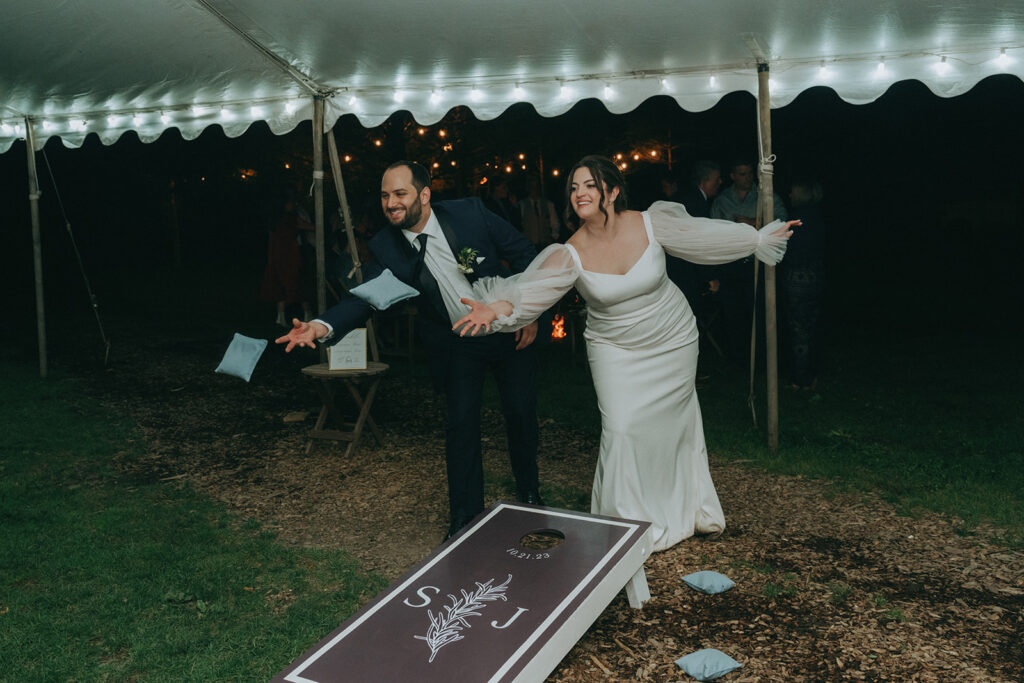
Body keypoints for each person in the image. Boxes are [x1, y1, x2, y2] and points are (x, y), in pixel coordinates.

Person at [454, 155, 799, 551]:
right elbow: (528, 292)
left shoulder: (651, 222)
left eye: (588, 185)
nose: (579, 193)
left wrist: (758, 239)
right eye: (573, 187)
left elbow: (704, 235)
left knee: (674, 424)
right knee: (621, 428)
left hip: (672, 338)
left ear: (612, 191)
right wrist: (496, 309)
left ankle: (687, 508)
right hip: (614, 348)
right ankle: (626, 526)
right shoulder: (570, 252)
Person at [275, 161, 545, 540]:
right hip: (458, 342)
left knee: (519, 411)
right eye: (385, 196)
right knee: (460, 425)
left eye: (399, 194)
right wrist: (321, 326)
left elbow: (525, 254)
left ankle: (529, 493)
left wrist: (527, 312)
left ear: (424, 194)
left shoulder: (470, 213)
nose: (391, 203)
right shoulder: (385, 245)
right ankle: (465, 520)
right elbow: (368, 298)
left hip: (509, 329)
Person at [711, 160, 788, 365]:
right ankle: (738, 360)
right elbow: (712, 231)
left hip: (758, 263)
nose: (748, 177)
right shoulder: (722, 200)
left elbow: (782, 222)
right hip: (731, 263)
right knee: (733, 314)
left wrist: (753, 223)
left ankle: (762, 360)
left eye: (750, 173)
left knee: (759, 312)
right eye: (742, 174)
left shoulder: (766, 196)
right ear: (733, 176)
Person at [781, 177, 826, 391]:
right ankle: (809, 375)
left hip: (798, 282)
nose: (789, 195)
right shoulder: (818, 216)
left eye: (792, 191)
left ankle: (802, 380)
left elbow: (792, 250)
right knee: (810, 328)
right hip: (815, 281)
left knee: (799, 330)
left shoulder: (798, 219)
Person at [260, 186, 314, 327]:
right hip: (288, 255)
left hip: (279, 255)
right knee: (296, 282)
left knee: (283, 283)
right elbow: (309, 227)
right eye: (290, 202)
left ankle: (282, 317)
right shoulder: (287, 218)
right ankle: (302, 314)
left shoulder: (277, 218)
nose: (293, 205)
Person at [518, 178, 561, 249]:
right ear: (528, 188)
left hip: (545, 245)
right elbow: (519, 226)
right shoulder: (521, 205)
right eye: (531, 186)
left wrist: (553, 237)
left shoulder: (548, 204)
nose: (534, 189)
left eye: (536, 186)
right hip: (529, 246)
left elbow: (555, 223)